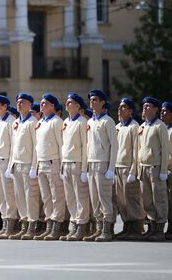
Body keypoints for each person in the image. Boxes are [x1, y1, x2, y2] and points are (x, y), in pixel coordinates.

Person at [84, 89, 118, 242]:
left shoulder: (108, 121)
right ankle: (98, 228)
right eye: (91, 100)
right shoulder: (90, 121)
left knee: (104, 198)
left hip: (103, 164)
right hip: (92, 163)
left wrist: (111, 168)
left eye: (95, 100)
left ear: (103, 102)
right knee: (94, 198)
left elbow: (114, 146)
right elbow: (88, 145)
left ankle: (107, 229)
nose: (92, 102)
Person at [34, 94, 66, 241]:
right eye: (41, 103)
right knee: (46, 197)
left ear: (52, 106)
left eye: (45, 103)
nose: (42, 105)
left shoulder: (56, 121)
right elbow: (37, 147)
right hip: (42, 162)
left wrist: (62, 167)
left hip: (53, 162)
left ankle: (57, 226)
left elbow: (61, 145)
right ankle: (49, 224)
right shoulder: (40, 122)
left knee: (56, 196)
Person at [137, 97, 170, 241]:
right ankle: (151, 226)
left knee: (159, 199)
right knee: (147, 200)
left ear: (156, 109)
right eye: (143, 105)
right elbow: (139, 149)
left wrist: (163, 170)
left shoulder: (159, 126)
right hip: (144, 167)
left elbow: (165, 149)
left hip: (155, 168)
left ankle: (159, 229)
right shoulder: (143, 126)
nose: (144, 108)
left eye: (148, 106)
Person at [9, 93, 41, 240]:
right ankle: (24, 223)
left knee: (30, 196)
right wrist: (11, 165)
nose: (19, 104)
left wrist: (34, 166)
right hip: (17, 163)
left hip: (28, 164)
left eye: (22, 102)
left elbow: (36, 146)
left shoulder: (33, 122)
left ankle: (32, 225)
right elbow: (13, 147)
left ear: (29, 105)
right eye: (18, 102)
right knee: (19, 197)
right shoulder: (16, 122)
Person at [60, 93, 91, 241]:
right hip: (66, 163)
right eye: (67, 102)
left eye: (70, 102)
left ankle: (82, 226)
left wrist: (84, 169)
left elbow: (85, 147)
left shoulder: (82, 122)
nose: (67, 104)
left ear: (78, 106)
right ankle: (74, 223)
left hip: (77, 163)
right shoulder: (66, 121)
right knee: (70, 197)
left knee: (81, 197)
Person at [114, 98, 145, 241]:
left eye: (123, 107)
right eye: (119, 107)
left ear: (131, 111)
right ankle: (127, 226)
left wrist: (133, 171)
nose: (120, 110)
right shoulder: (118, 126)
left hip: (128, 167)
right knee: (122, 200)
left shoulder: (134, 126)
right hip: (118, 166)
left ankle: (136, 227)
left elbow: (135, 151)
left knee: (132, 199)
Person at [0, 95, 19, 240]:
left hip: (6, 160)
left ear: (6, 106)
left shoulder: (11, 122)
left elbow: (14, 145)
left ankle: (11, 225)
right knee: (0, 196)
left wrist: (11, 164)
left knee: (9, 195)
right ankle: (4, 223)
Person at [161, 101, 172, 240]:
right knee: (166, 202)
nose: (162, 114)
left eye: (165, 111)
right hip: (164, 168)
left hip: (171, 168)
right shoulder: (163, 128)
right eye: (162, 111)